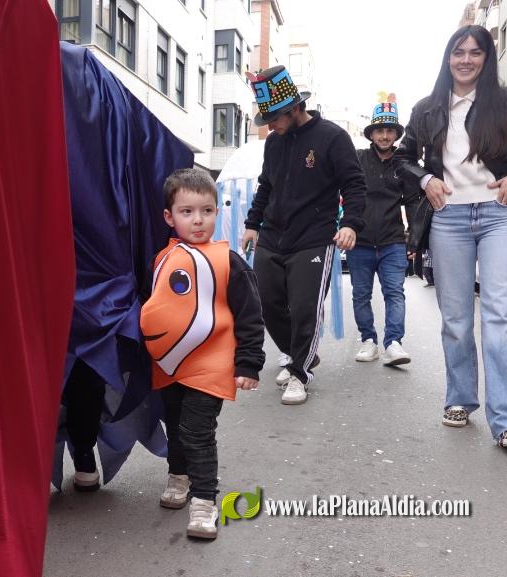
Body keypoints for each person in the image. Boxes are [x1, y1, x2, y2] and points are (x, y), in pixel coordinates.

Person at [393, 25, 507, 450]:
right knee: (455, 319)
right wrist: (425, 179)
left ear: (487, 58)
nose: (466, 60)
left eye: (476, 52)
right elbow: (402, 158)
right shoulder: (427, 108)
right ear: (447, 57)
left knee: (502, 316)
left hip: (501, 215)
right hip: (447, 218)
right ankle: (460, 398)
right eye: (459, 52)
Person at [140, 168, 265, 540]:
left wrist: (248, 363)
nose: (198, 220)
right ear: (169, 216)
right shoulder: (164, 258)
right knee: (175, 429)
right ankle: (178, 476)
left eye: (207, 211)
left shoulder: (228, 261)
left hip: (211, 366)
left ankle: (204, 501)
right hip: (171, 366)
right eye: (187, 211)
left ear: (216, 212)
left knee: (197, 432)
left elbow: (251, 314)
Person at [240, 65, 366, 405]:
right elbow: (266, 185)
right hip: (272, 234)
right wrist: (253, 223)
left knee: (304, 307)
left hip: (314, 237)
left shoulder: (332, 138)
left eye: (275, 119)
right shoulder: (274, 144)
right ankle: (300, 353)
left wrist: (351, 223)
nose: (270, 126)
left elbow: (354, 185)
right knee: (265, 302)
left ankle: (299, 372)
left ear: (295, 109)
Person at [350, 94, 419, 366]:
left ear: (396, 133)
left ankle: (393, 343)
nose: (384, 135)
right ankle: (369, 340)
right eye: (379, 129)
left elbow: (413, 202)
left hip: (393, 242)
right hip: (360, 241)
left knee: (394, 292)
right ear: (371, 133)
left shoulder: (403, 164)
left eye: (390, 130)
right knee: (360, 294)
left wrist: (415, 238)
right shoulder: (357, 159)